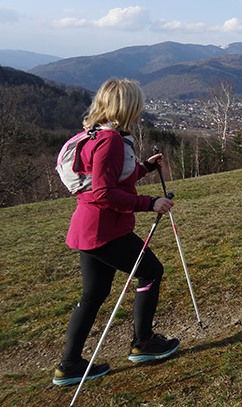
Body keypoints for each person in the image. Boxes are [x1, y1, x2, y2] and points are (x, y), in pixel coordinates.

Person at [53, 78, 179, 387]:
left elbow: (115, 175)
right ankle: (143, 343)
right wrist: (150, 203)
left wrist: (146, 168)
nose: (141, 110)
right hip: (106, 230)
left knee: (94, 293)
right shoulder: (110, 141)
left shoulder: (98, 134)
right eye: (138, 104)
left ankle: (68, 365)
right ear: (127, 106)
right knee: (151, 271)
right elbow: (104, 191)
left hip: (89, 229)